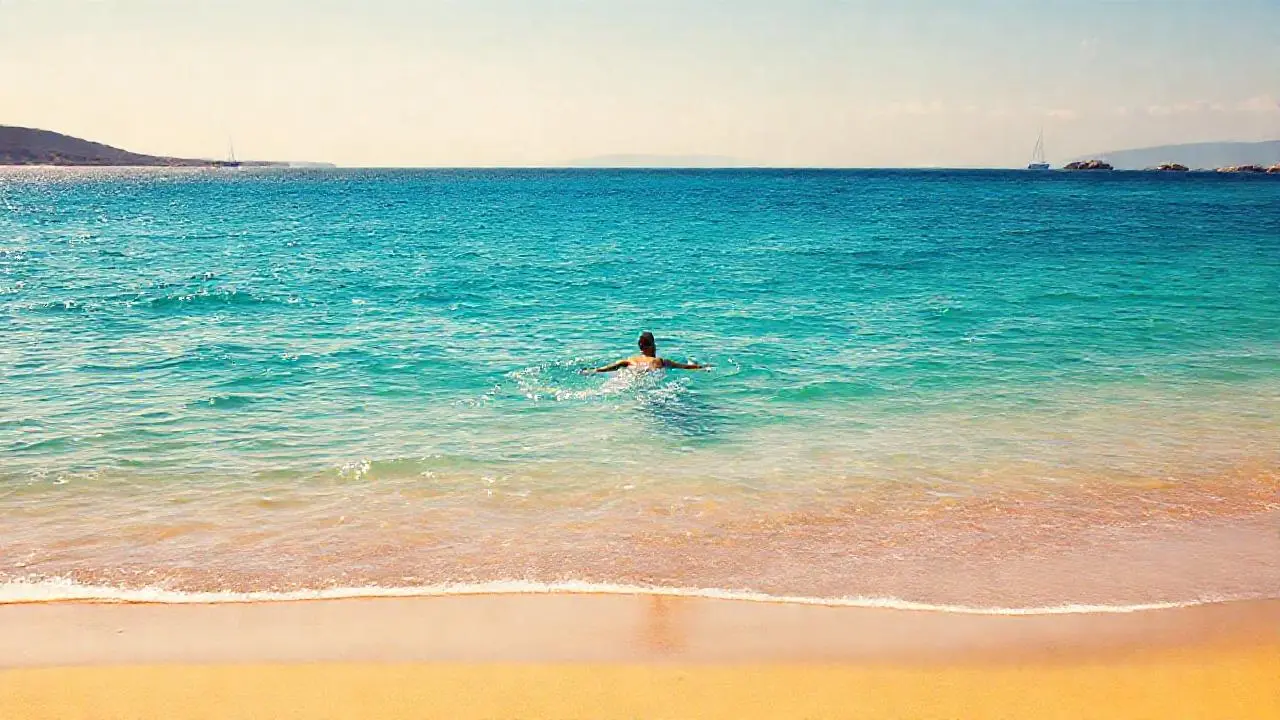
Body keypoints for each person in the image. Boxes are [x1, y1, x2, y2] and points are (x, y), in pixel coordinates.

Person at [591, 331, 708, 373]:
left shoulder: (630, 360)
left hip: (633, 373)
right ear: (652, 346)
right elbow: (685, 367)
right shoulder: (659, 361)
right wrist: (703, 367)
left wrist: (596, 370)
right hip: (651, 375)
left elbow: (611, 367)